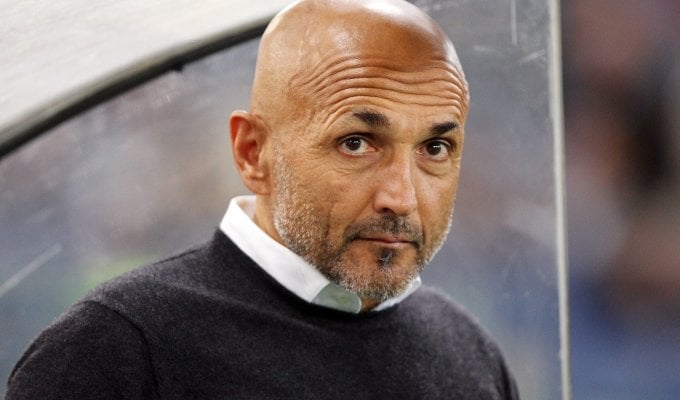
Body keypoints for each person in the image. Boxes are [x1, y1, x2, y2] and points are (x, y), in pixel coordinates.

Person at [6, 0, 519, 398]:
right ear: (253, 153)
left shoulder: (469, 354)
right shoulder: (113, 352)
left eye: (435, 148)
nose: (401, 198)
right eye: (356, 143)